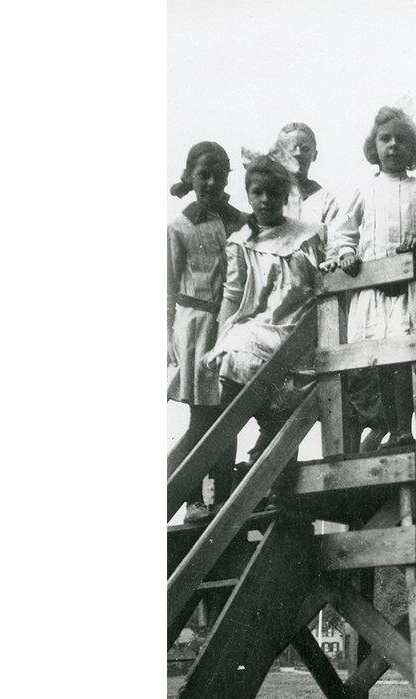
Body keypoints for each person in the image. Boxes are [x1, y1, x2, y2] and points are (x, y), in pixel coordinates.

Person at [329, 107, 416, 450]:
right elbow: (342, 232)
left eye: (401, 140)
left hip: (408, 290)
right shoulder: (363, 190)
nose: (393, 146)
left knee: (405, 356)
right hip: (372, 290)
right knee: (381, 360)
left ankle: (405, 428)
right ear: (374, 146)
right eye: (385, 139)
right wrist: (346, 254)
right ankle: (391, 427)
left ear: (413, 149)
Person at [206, 156, 326, 484]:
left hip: (301, 326)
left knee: (279, 396)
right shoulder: (241, 242)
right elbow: (233, 295)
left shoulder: (311, 234)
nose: (265, 200)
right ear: (248, 195)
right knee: (233, 353)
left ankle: (267, 469)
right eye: (258, 192)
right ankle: (226, 477)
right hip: (262, 323)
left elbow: (326, 281)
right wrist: (220, 340)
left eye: (273, 192)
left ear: (286, 196)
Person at [168, 141, 244, 522]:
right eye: (203, 175)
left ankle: (224, 498)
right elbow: (167, 286)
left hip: (231, 325)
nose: (212, 182)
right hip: (195, 328)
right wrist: (167, 336)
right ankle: (194, 500)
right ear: (189, 177)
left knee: (228, 413)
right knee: (202, 416)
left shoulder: (242, 223)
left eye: (220, 175)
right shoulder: (179, 226)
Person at [263, 122, 341, 241]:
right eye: (290, 148)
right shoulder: (266, 197)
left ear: (314, 155)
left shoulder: (326, 201)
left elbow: (334, 243)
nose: (298, 153)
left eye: (305, 149)